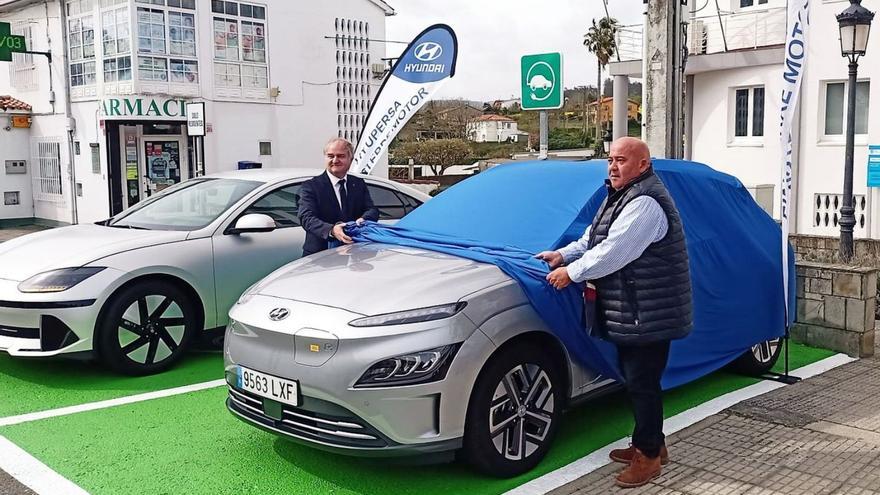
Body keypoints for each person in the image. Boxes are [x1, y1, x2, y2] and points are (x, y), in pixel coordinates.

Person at [535, 137, 693, 488]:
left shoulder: (646, 203)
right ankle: (651, 443)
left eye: (621, 160)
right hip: (637, 310)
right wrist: (563, 254)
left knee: (642, 383)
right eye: (610, 159)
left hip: (648, 314)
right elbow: (594, 238)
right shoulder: (621, 195)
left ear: (642, 165)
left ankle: (649, 457)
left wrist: (571, 273)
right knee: (638, 380)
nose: (613, 166)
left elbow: (613, 251)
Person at [298, 138, 378, 256]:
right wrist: (331, 230)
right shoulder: (310, 187)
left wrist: (364, 219)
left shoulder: (358, 183)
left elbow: (372, 210)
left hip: (354, 255)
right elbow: (306, 217)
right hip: (320, 257)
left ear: (350, 159)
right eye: (330, 156)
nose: (335, 160)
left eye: (340, 156)